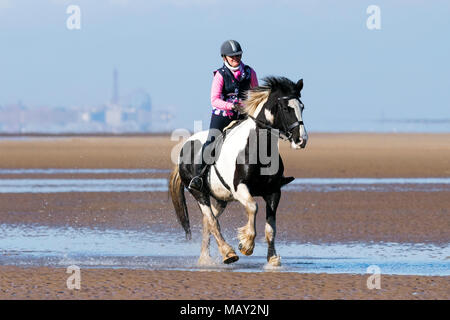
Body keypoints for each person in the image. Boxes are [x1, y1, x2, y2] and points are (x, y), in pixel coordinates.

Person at [188, 40, 259, 191]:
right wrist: (232, 105)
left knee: (263, 137)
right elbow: (214, 100)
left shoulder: (250, 72)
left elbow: (256, 95)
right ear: (224, 58)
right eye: (232, 56)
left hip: (243, 115)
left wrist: (247, 107)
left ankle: (269, 175)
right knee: (211, 142)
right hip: (223, 114)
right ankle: (198, 177)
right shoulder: (220, 75)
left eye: (238, 55)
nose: (235, 59)